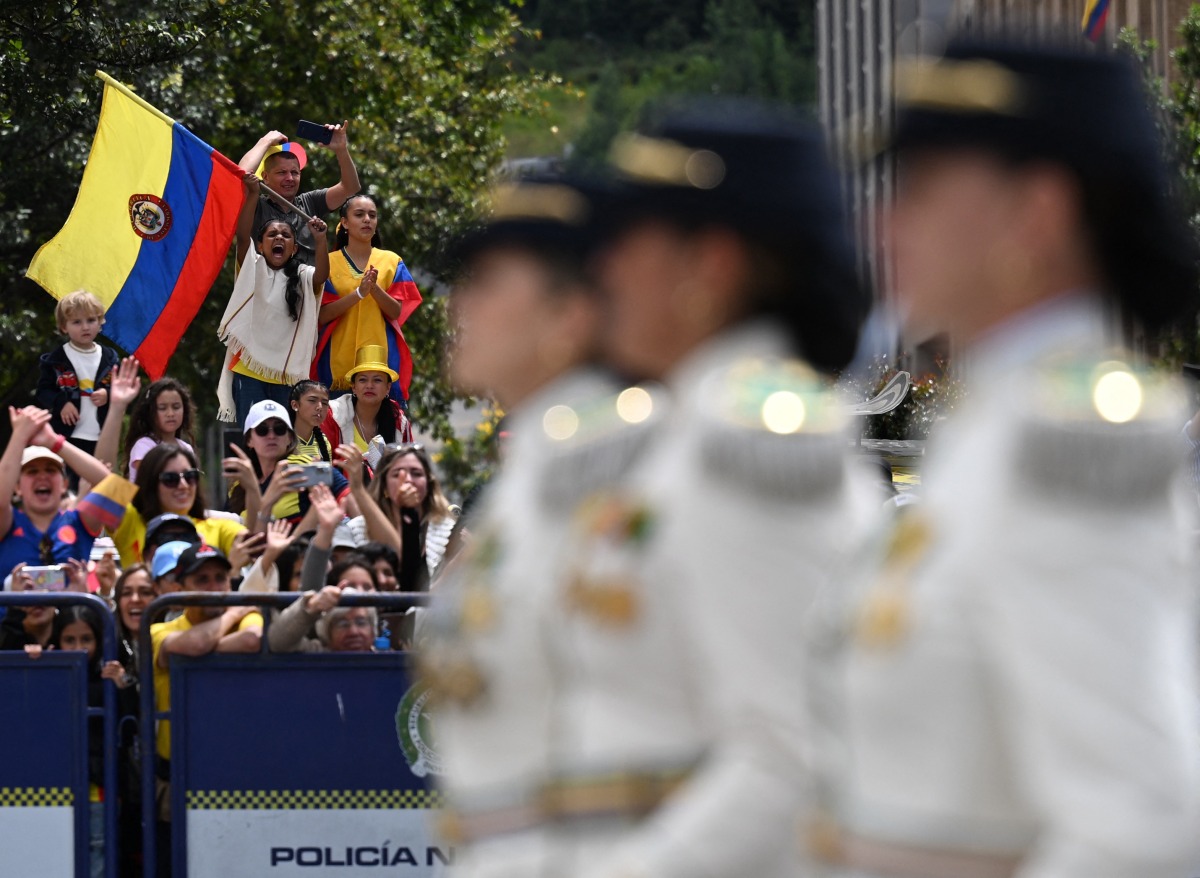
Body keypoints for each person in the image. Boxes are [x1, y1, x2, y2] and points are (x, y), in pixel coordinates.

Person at [438, 102, 869, 877]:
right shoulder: (677, 446)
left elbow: (793, 753)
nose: (606, 268)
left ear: (713, 266)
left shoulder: (747, 450)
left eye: (633, 240)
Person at [805, 41, 1200, 876]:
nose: (886, 221)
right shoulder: (993, 433)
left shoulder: (1068, 455)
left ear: (1039, 213)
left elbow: (1139, 826)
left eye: (923, 188)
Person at [420, 175, 617, 877]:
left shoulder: (628, 477)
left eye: (490, 284)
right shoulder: (529, 480)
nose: (460, 307)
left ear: (566, 319)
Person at [150, 544, 261, 868]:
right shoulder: (158, 629)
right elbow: (189, 644)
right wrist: (228, 616)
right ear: (180, 588)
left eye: (220, 579)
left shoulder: (248, 616)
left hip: (235, 774)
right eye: (203, 580)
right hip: (176, 776)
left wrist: (194, 653)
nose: (214, 589)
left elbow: (251, 640)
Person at [217, 174, 330, 424]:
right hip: (249, 370)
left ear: (295, 248)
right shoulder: (252, 267)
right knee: (253, 434)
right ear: (260, 245)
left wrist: (321, 240)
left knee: (283, 438)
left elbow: (322, 276)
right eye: (272, 235)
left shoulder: (301, 274)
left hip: (286, 375)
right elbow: (242, 235)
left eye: (286, 236)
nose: (279, 238)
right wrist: (254, 194)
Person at [312, 193, 422, 408]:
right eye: (359, 214)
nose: (367, 220)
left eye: (372, 215)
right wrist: (359, 294)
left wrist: (374, 290)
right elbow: (322, 315)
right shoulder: (329, 263)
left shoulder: (391, 261)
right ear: (344, 222)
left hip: (378, 367)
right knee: (338, 438)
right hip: (337, 369)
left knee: (380, 438)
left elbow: (396, 312)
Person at [0, 406, 136, 579]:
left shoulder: (78, 522)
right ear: (17, 487)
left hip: (72, 607)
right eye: (32, 472)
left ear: (64, 484)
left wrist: (55, 442)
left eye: (50, 470)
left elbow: (116, 491)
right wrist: (19, 436)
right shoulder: (7, 523)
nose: (42, 477)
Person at [48, 603, 130, 878]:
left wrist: (122, 685)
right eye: (69, 640)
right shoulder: (48, 675)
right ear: (57, 641)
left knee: (97, 856)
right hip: (53, 791)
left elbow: (130, 727)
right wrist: (36, 667)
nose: (78, 647)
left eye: (86, 639)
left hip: (98, 792)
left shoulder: (108, 680)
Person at [238, 123, 359, 268]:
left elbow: (350, 187)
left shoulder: (310, 201)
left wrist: (341, 150)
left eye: (295, 172)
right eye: (281, 172)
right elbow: (240, 177)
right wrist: (265, 141)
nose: (289, 178)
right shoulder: (255, 204)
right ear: (266, 177)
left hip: (304, 288)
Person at [223, 399, 352, 530]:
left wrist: (357, 485)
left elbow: (353, 506)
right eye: (262, 430)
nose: (271, 435)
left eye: (279, 429)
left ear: (290, 438)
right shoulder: (240, 485)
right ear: (249, 440)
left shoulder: (307, 467)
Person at [110, 443, 246, 567]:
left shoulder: (217, 527)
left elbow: (254, 546)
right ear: (150, 485)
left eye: (190, 476)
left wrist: (253, 490)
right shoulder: (131, 521)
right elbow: (103, 478)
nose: (183, 485)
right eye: (170, 479)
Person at [36, 290, 120, 488]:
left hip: (102, 437)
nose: (85, 327)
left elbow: (123, 389)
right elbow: (43, 392)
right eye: (77, 322)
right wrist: (61, 403)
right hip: (67, 438)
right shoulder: (55, 359)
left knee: (102, 487)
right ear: (63, 327)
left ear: (101, 323)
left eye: (91, 320)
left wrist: (108, 395)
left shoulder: (111, 357)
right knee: (69, 488)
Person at [346, 443, 454, 589]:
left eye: (416, 474)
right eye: (397, 474)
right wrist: (357, 489)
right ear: (384, 486)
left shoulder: (448, 530)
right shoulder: (355, 529)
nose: (408, 480)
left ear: (429, 483)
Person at [319, 344, 414, 449]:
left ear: (388, 387)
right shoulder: (334, 414)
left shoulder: (399, 422)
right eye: (362, 380)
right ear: (353, 386)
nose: (369, 386)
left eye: (377, 380)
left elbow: (408, 462)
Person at [123, 377, 197, 481]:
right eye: (162, 408)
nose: (170, 414)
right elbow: (153, 483)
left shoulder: (187, 448)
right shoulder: (143, 446)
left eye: (176, 407)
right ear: (150, 412)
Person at [289, 379, 334, 462]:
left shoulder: (324, 441)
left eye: (324, 403)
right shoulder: (282, 439)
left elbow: (328, 474)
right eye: (312, 400)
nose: (320, 407)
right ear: (295, 405)